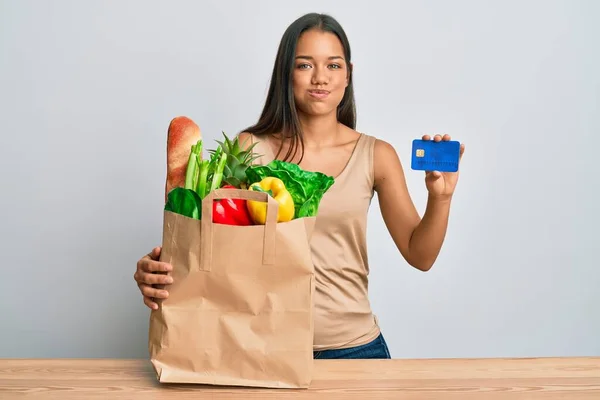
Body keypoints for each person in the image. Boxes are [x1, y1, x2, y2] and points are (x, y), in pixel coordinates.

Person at [134, 12, 465, 360]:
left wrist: (440, 198)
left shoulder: (376, 155)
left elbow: (420, 255)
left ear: (348, 74)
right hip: (262, 350)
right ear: (286, 73)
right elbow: (211, 254)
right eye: (305, 65)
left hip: (354, 350)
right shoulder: (250, 149)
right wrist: (156, 270)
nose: (320, 77)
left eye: (333, 66)